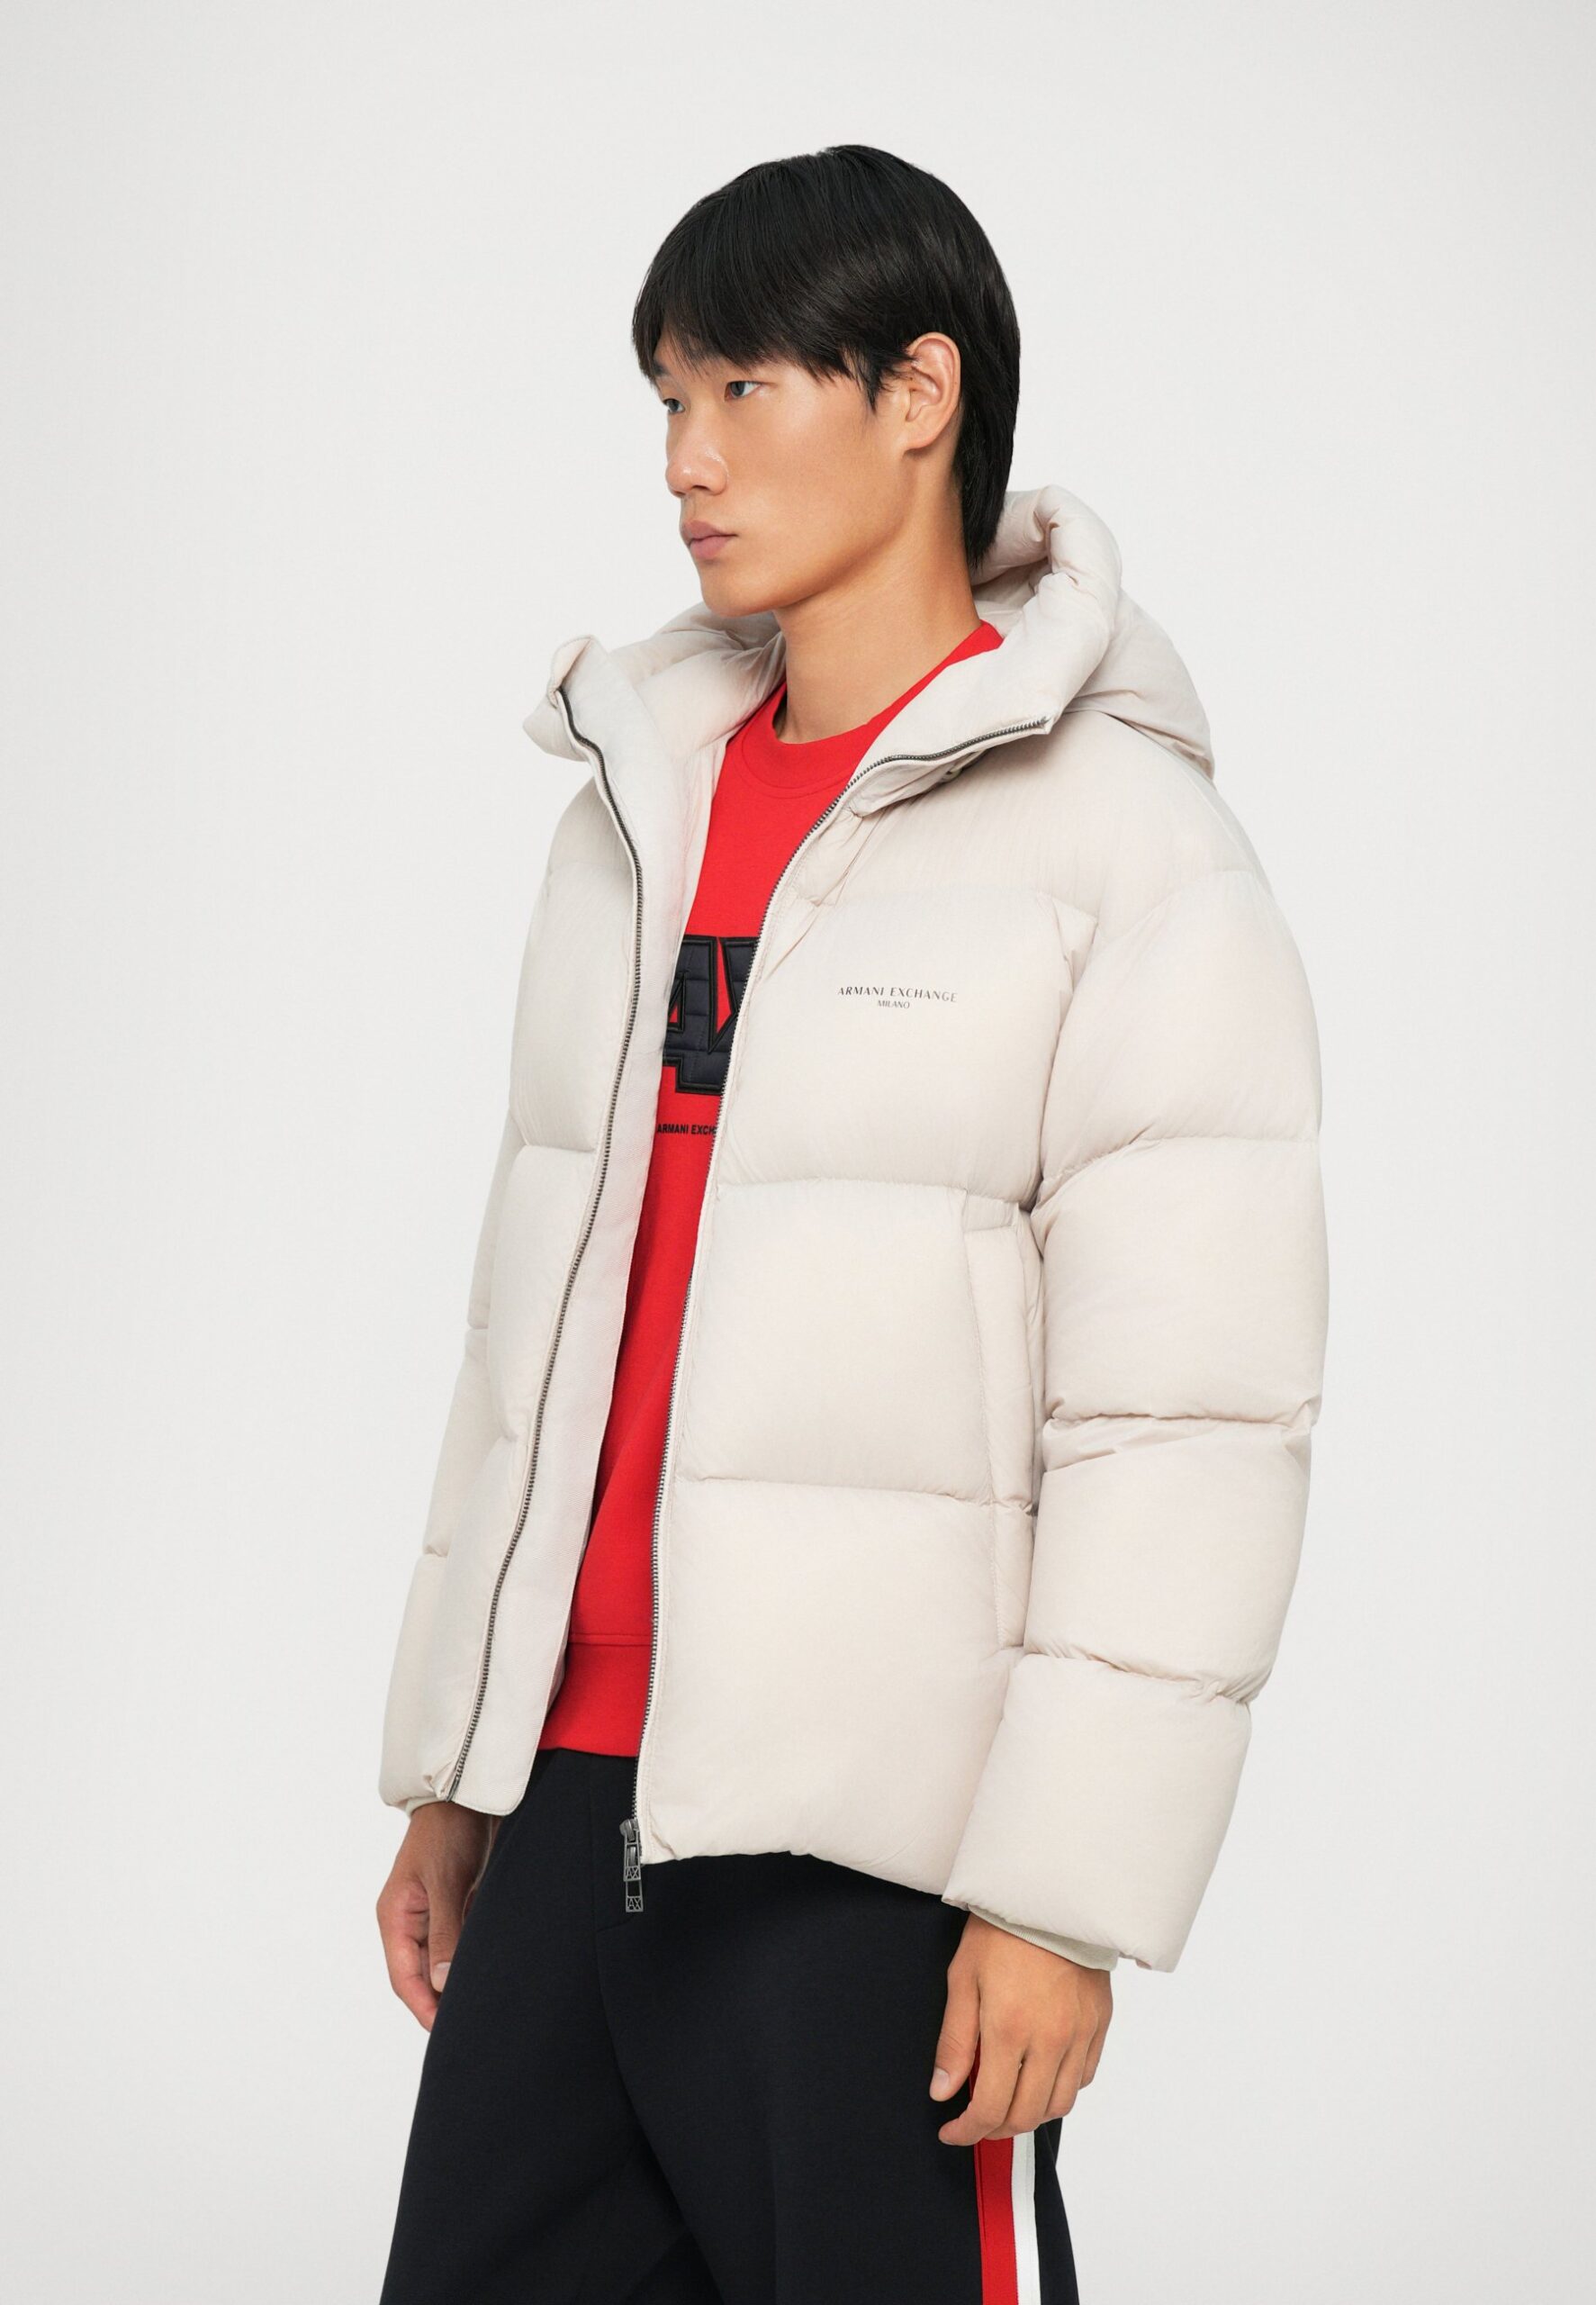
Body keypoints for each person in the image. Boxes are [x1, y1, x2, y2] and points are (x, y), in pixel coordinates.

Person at [373, 143, 1329, 2304]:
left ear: (916, 393)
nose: (684, 463)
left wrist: (1060, 1889)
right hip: (572, 1798)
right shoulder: (628, 816)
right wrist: (459, 1762)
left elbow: (1183, 1418)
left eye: (737, 390)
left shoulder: (1126, 849)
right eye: (664, 402)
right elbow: (533, 1331)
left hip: (877, 1848)